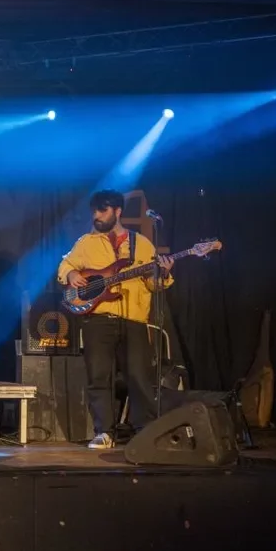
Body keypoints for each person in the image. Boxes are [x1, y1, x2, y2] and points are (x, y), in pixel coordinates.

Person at [58, 189, 173, 449]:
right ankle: (104, 432)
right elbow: (64, 265)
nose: (97, 216)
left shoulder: (142, 243)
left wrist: (163, 273)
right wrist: (72, 274)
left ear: (117, 211)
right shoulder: (86, 242)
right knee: (99, 376)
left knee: (139, 376)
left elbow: (154, 285)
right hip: (98, 319)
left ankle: (146, 430)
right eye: (95, 211)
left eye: (103, 210)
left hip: (134, 319)